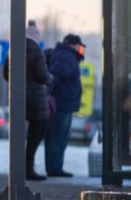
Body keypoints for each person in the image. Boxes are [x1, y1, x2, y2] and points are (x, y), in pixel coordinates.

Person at [3, 20, 51, 181]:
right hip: (36, 99)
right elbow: (42, 76)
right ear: (37, 37)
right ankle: (28, 166)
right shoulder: (37, 52)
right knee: (36, 132)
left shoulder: (14, 50)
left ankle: (17, 167)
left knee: (17, 133)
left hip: (18, 96)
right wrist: (51, 77)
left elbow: (5, 74)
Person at [43, 34, 85, 177]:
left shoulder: (63, 55)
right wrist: (47, 92)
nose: (81, 50)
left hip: (60, 104)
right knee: (59, 137)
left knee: (53, 137)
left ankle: (52, 167)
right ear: (73, 45)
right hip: (62, 105)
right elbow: (54, 76)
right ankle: (55, 169)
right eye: (79, 46)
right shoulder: (66, 57)